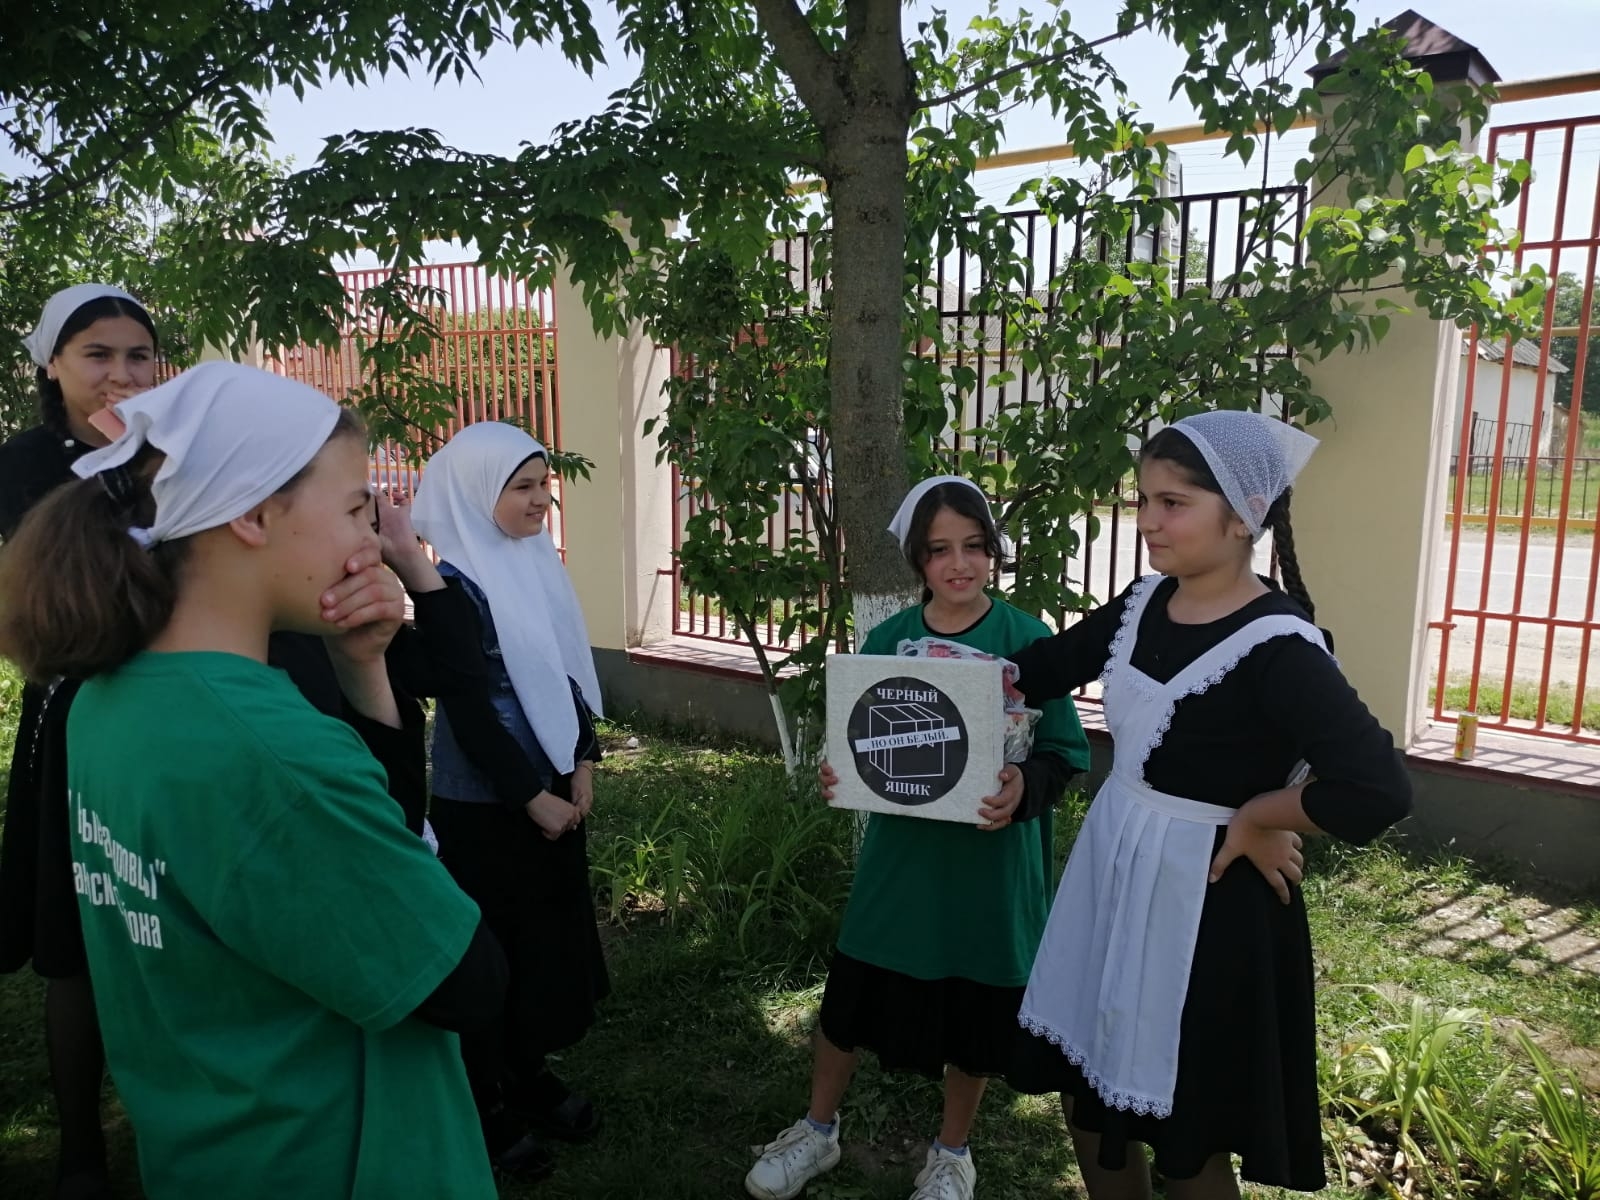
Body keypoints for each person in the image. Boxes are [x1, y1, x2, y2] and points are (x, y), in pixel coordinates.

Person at [0, 362, 506, 1199]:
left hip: (214, 1148)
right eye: (354, 509)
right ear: (252, 514)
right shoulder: (268, 754)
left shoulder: (109, 696)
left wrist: (363, 670)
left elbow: (359, 848)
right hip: (341, 1163)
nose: (373, 543)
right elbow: (463, 982)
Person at [1005, 411, 1413, 1197]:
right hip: (1114, 868)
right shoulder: (1143, 605)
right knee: (1084, 1087)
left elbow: (1376, 788)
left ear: (1242, 517)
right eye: (1144, 499)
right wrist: (924, 685)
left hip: (1210, 901)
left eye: (1173, 503)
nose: (1147, 521)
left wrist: (1261, 816)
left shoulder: (1278, 647)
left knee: (1186, 1130)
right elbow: (1039, 669)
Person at [745, 476, 1091, 1200]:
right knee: (848, 1007)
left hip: (990, 870)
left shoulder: (1027, 641)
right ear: (918, 560)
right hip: (902, 869)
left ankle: (952, 1153)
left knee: (975, 1018)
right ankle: (816, 1130)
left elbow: (1067, 753)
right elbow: (860, 739)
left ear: (993, 550)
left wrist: (1025, 786)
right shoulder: (889, 641)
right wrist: (841, 771)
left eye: (973, 545)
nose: (958, 564)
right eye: (939, 550)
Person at [410, 421, 610, 1164]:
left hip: (551, 781)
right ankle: (484, 1099)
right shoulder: (452, 589)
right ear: (474, 493)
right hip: (486, 804)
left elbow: (566, 670)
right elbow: (471, 711)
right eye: (521, 487)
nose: (540, 501)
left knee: (544, 940)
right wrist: (531, 796)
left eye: (543, 486)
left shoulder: (534, 562)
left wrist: (582, 761)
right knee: (491, 947)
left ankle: (528, 1070)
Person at [0, 283, 158, 1200]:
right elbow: (70, 593)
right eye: (97, 354)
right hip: (76, 717)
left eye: (138, 355)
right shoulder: (25, 466)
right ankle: (79, 1148)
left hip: (177, 708)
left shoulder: (170, 449)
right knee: (79, 934)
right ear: (51, 363)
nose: (121, 374)